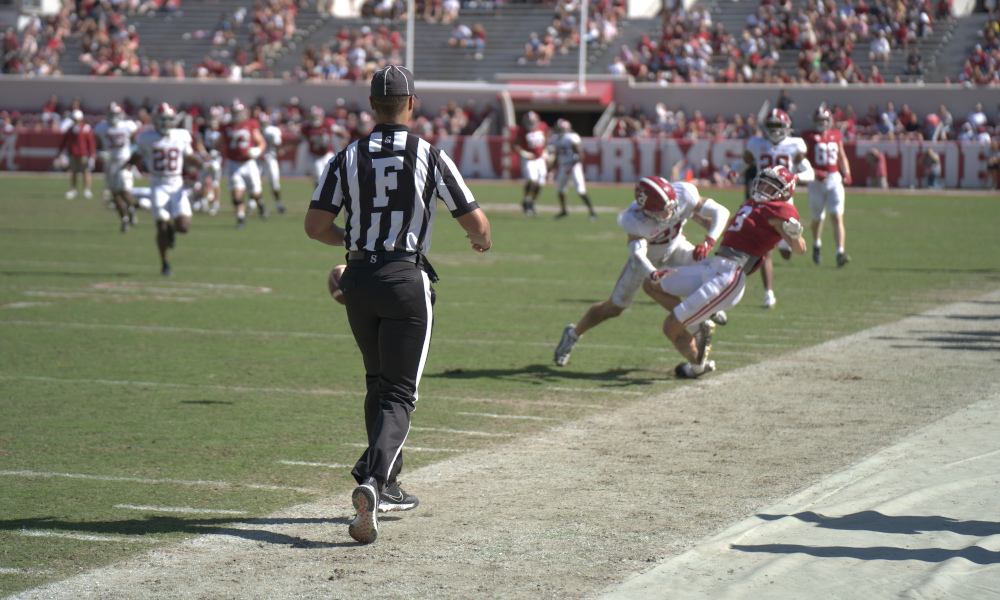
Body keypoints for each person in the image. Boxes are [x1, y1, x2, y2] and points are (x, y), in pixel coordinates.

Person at [304, 65, 492, 545]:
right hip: (405, 277)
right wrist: (480, 241)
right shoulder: (429, 154)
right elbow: (476, 222)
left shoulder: (346, 155)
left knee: (377, 380)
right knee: (401, 392)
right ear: (413, 103)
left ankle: (387, 481)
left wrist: (357, 240)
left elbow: (314, 225)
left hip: (359, 277)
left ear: (371, 105)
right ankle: (374, 482)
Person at [646, 165, 807, 379]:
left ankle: (696, 366)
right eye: (764, 182)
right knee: (651, 284)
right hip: (713, 268)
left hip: (728, 278)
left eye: (772, 186)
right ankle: (698, 326)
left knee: (670, 326)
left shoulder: (780, 212)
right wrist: (693, 214)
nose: (764, 188)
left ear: (785, 191)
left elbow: (799, 249)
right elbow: (732, 230)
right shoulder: (750, 204)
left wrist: (796, 236)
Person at [554, 175, 731, 367]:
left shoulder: (684, 193)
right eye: (663, 211)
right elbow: (638, 254)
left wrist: (709, 240)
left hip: (676, 245)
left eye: (671, 206)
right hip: (648, 259)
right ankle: (573, 334)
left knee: (712, 270)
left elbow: (720, 211)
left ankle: (704, 314)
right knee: (614, 308)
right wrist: (652, 272)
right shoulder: (634, 218)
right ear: (647, 211)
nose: (670, 212)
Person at [743, 107, 814, 308]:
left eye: (778, 126)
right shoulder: (756, 144)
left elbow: (810, 173)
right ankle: (768, 294)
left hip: (785, 205)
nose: (774, 130)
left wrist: (794, 178)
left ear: (787, 127)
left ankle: (785, 245)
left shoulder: (794, 145)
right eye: (771, 125)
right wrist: (732, 172)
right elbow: (743, 163)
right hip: (763, 201)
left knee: (787, 251)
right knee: (765, 251)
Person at [132, 103, 201, 277]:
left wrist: (205, 164)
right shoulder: (146, 137)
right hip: (158, 184)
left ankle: (172, 230)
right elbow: (138, 155)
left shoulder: (181, 136)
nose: (165, 123)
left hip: (177, 184)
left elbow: (190, 157)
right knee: (161, 226)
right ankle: (165, 263)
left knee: (184, 226)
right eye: (162, 120)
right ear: (155, 120)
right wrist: (124, 165)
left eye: (168, 120)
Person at [801, 106, 852, 267]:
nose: (822, 123)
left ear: (829, 121)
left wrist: (847, 172)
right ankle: (816, 243)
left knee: (837, 216)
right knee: (817, 218)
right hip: (816, 183)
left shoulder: (836, 135)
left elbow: (842, 155)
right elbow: (801, 159)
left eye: (824, 120)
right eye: (819, 120)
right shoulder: (807, 136)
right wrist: (814, 171)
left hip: (834, 180)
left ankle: (840, 252)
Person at [93, 102, 140, 232]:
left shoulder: (128, 126)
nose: (113, 117)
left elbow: (136, 142)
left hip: (124, 162)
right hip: (110, 164)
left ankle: (130, 209)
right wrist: (99, 153)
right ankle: (124, 220)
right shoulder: (101, 128)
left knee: (125, 191)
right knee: (116, 195)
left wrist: (131, 155)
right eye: (111, 114)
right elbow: (97, 145)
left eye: (115, 114)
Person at [220, 100, 267, 228]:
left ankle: (260, 203)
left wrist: (258, 150)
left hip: (248, 163)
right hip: (233, 163)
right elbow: (220, 143)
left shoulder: (251, 124)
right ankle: (240, 218)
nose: (237, 115)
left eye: (239, 112)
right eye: (235, 112)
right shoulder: (225, 127)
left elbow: (262, 142)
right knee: (236, 193)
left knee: (255, 192)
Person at [549, 119, 596, 220]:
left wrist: (571, 167)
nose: (558, 131)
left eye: (560, 129)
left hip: (574, 165)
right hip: (563, 166)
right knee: (560, 189)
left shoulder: (571, 138)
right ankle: (563, 210)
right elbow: (557, 155)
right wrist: (552, 167)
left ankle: (592, 212)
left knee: (580, 190)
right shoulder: (556, 139)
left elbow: (580, 155)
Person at [300, 105, 349, 186]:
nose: (314, 119)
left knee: (335, 176)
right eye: (312, 117)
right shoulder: (306, 127)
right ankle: (319, 196)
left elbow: (341, 132)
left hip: (327, 154)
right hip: (314, 156)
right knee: (319, 179)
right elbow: (299, 140)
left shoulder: (328, 123)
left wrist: (345, 139)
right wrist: (286, 149)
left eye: (316, 116)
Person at [512, 110, 549, 216]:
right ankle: (527, 200)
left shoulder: (542, 126)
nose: (530, 124)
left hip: (540, 159)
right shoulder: (522, 130)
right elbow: (514, 145)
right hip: (529, 159)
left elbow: (545, 139)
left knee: (540, 183)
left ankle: (532, 202)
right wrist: (523, 153)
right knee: (532, 180)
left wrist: (546, 151)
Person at [58, 109, 96, 200]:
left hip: (83, 154)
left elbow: (91, 143)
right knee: (74, 172)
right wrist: (61, 152)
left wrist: (92, 154)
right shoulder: (71, 129)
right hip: (73, 154)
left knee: (85, 172)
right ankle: (73, 190)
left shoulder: (86, 128)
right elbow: (64, 141)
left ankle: (87, 190)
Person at [257, 112, 287, 214]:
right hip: (257, 159)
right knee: (255, 184)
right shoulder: (255, 130)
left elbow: (278, 144)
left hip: (270, 158)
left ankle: (279, 204)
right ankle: (256, 205)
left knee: (274, 183)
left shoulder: (273, 131)